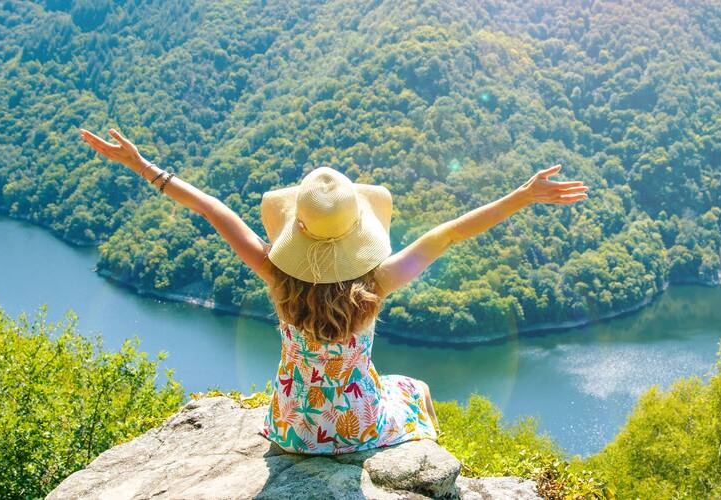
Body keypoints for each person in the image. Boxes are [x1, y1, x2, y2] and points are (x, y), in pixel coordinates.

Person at [80, 127, 589, 454]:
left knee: (382, 390)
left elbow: (214, 210)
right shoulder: (378, 282)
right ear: (359, 232)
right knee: (415, 390)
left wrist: (142, 165)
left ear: (295, 227)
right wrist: (524, 195)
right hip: (358, 428)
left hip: (289, 428)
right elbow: (452, 231)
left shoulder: (278, 277)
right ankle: (427, 462)